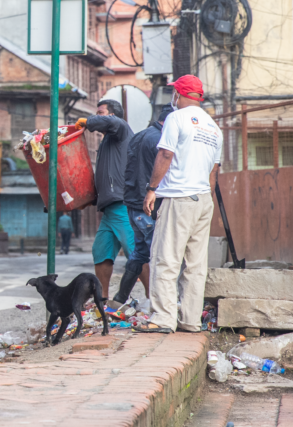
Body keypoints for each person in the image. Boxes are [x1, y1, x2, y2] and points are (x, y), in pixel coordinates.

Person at [134, 75, 222, 334]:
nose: (173, 97)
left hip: (179, 198)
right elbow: (213, 172)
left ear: (180, 95)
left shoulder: (176, 118)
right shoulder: (213, 127)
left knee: (165, 258)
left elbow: (165, 154)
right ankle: (191, 320)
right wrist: (207, 200)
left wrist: (151, 190)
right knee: (195, 265)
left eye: (174, 93)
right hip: (203, 200)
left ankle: (163, 318)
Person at [110, 105, 174, 309]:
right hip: (148, 205)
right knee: (158, 253)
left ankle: (119, 299)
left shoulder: (139, 136)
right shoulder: (161, 140)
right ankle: (160, 305)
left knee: (139, 252)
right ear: (169, 122)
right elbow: (160, 171)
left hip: (132, 203)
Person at [78, 99, 134, 299]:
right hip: (109, 209)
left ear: (111, 115)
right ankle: (102, 301)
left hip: (122, 205)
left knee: (136, 255)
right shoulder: (106, 142)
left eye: (100, 112)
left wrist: (87, 121)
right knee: (101, 253)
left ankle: (151, 302)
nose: (96, 115)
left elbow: (112, 123)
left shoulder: (121, 129)